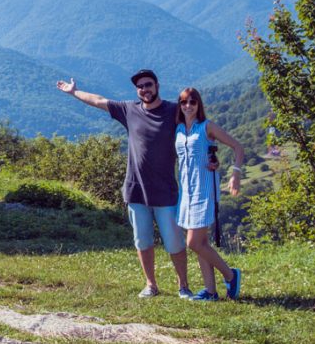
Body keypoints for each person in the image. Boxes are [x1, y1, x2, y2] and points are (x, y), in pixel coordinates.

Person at [57, 69, 194, 298]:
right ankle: (151, 285)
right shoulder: (129, 110)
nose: (144, 89)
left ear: (157, 85)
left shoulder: (173, 110)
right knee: (142, 240)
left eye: (148, 84)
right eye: (140, 86)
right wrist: (74, 92)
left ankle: (184, 287)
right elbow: (99, 101)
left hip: (165, 190)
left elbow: (197, 128)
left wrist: (211, 156)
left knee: (174, 241)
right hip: (135, 189)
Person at [175, 86, 244, 301]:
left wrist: (235, 174)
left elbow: (238, 147)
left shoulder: (207, 127)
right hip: (186, 191)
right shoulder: (177, 130)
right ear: (180, 105)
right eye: (184, 102)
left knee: (194, 243)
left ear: (199, 105)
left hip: (205, 190)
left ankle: (231, 275)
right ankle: (210, 291)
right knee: (201, 244)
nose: (188, 106)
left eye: (192, 102)